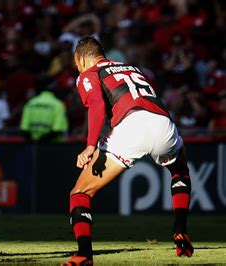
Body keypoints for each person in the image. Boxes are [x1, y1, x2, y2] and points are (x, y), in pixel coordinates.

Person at [63, 37, 193, 265]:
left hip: (131, 125)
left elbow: (96, 105)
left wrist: (91, 145)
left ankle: (84, 254)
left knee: (80, 193)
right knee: (180, 169)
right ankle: (180, 229)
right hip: (162, 122)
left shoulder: (88, 73)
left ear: (81, 58)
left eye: (76, 63)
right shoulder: (132, 67)